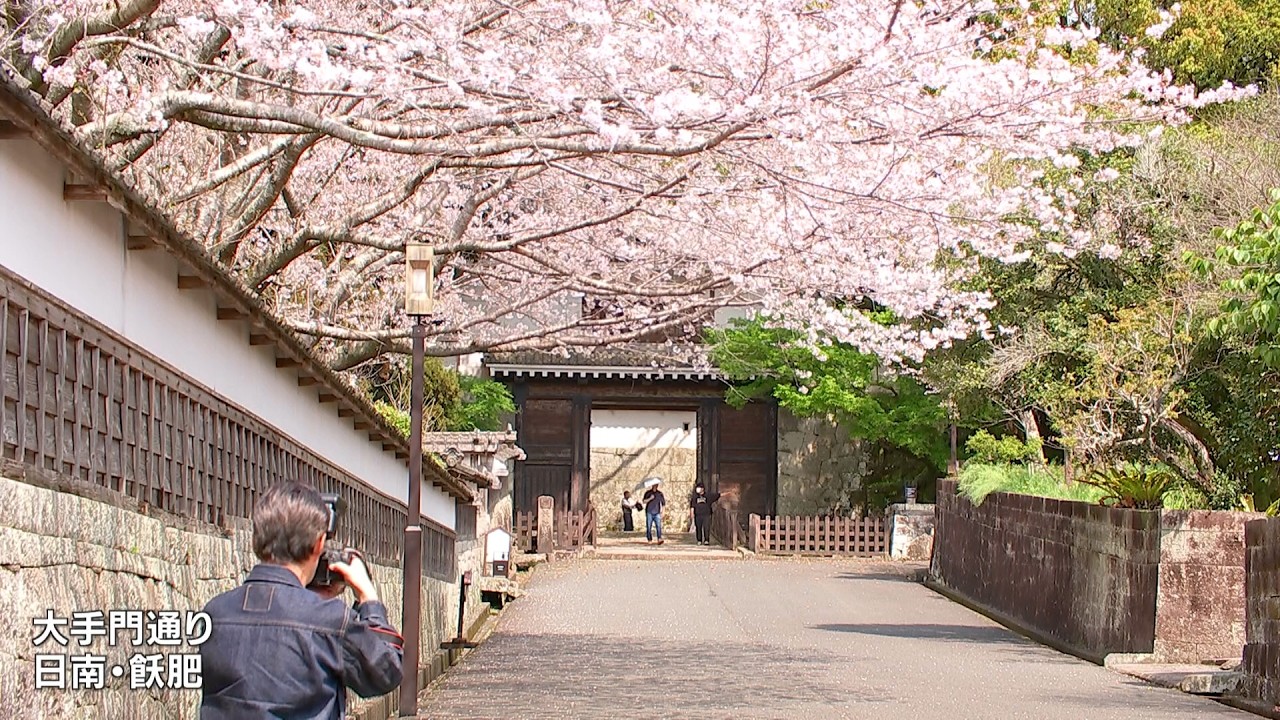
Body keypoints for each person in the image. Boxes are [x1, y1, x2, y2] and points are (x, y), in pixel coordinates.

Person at [198, 481, 404, 719]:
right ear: (318, 543)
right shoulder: (331, 620)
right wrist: (368, 597)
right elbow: (386, 671)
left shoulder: (214, 613)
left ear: (257, 539)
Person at [642, 480, 666, 544]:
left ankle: (659, 538)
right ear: (652, 485)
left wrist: (663, 512)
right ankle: (649, 539)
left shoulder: (660, 494)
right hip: (649, 512)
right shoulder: (648, 493)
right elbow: (644, 501)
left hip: (657, 512)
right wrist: (650, 498)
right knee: (649, 526)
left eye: (656, 484)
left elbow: (663, 503)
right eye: (654, 484)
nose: (655, 486)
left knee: (658, 526)